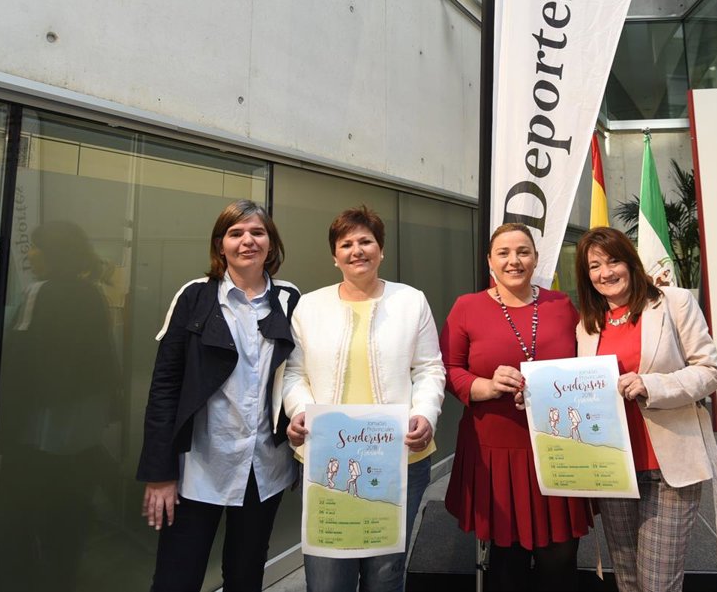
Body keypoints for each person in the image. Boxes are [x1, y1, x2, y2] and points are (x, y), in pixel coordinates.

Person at [137, 200, 301, 592]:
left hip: (263, 468)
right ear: (220, 245)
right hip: (199, 468)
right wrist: (160, 472)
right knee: (176, 579)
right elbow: (165, 387)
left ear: (271, 243)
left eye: (257, 232)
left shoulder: (290, 299)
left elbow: (300, 373)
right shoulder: (194, 297)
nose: (248, 241)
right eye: (236, 233)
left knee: (245, 577)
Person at [284, 205, 445, 592]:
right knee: (327, 577)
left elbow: (429, 368)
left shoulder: (410, 301)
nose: (357, 250)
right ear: (334, 255)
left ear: (381, 250)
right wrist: (300, 411)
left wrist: (425, 414)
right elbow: (294, 373)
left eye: (366, 241)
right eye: (346, 244)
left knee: (385, 574)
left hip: (400, 456)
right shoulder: (309, 306)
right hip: (327, 458)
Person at [441, 223, 592, 591]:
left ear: (536, 259)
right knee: (506, 563)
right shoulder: (467, 307)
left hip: (558, 446)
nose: (514, 260)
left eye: (523, 252)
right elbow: (448, 370)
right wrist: (487, 386)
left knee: (560, 558)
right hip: (495, 451)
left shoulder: (561, 305)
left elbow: (586, 363)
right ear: (489, 261)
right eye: (504, 253)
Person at [574, 227, 717, 592]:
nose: (605, 273)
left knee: (657, 584)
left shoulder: (673, 303)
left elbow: (711, 371)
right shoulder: (587, 326)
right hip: (615, 468)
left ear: (630, 261)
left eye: (613, 261)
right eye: (594, 266)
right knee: (627, 581)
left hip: (668, 468)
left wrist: (650, 385)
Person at [0, 220, 120, 592]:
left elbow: (19, 358)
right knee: (65, 517)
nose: (30, 253)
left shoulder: (40, 292)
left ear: (54, 253)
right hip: (79, 427)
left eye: (36, 246)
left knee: (13, 519)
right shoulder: (92, 294)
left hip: (38, 428)